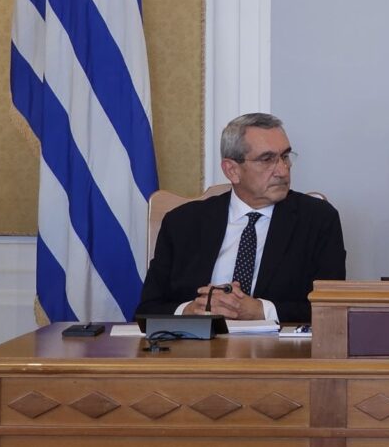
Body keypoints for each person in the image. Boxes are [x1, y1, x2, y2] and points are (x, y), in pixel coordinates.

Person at [135, 112, 345, 324]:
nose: (282, 171)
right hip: (195, 343)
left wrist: (262, 310)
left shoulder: (318, 220)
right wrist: (189, 311)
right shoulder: (182, 223)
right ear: (232, 170)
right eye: (267, 159)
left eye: (285, 157)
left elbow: (330, 308)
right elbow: (147, 310)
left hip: (274, 344)